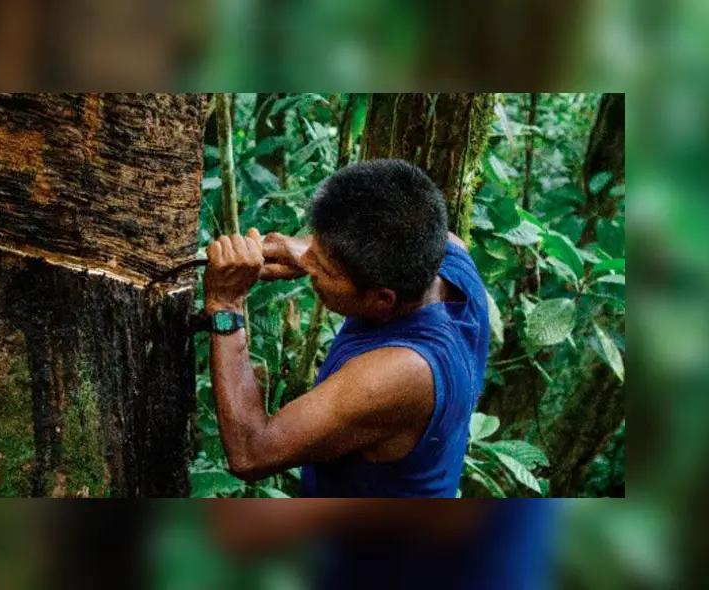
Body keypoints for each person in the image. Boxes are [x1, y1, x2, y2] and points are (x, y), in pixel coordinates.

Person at [202, 159, 559, 589]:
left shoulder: (397, 375)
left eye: (326, 269)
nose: (310, 264)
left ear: (381, 300)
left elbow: (252, 453)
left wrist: (226, 304)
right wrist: (310, 250)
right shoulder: (446, 257)